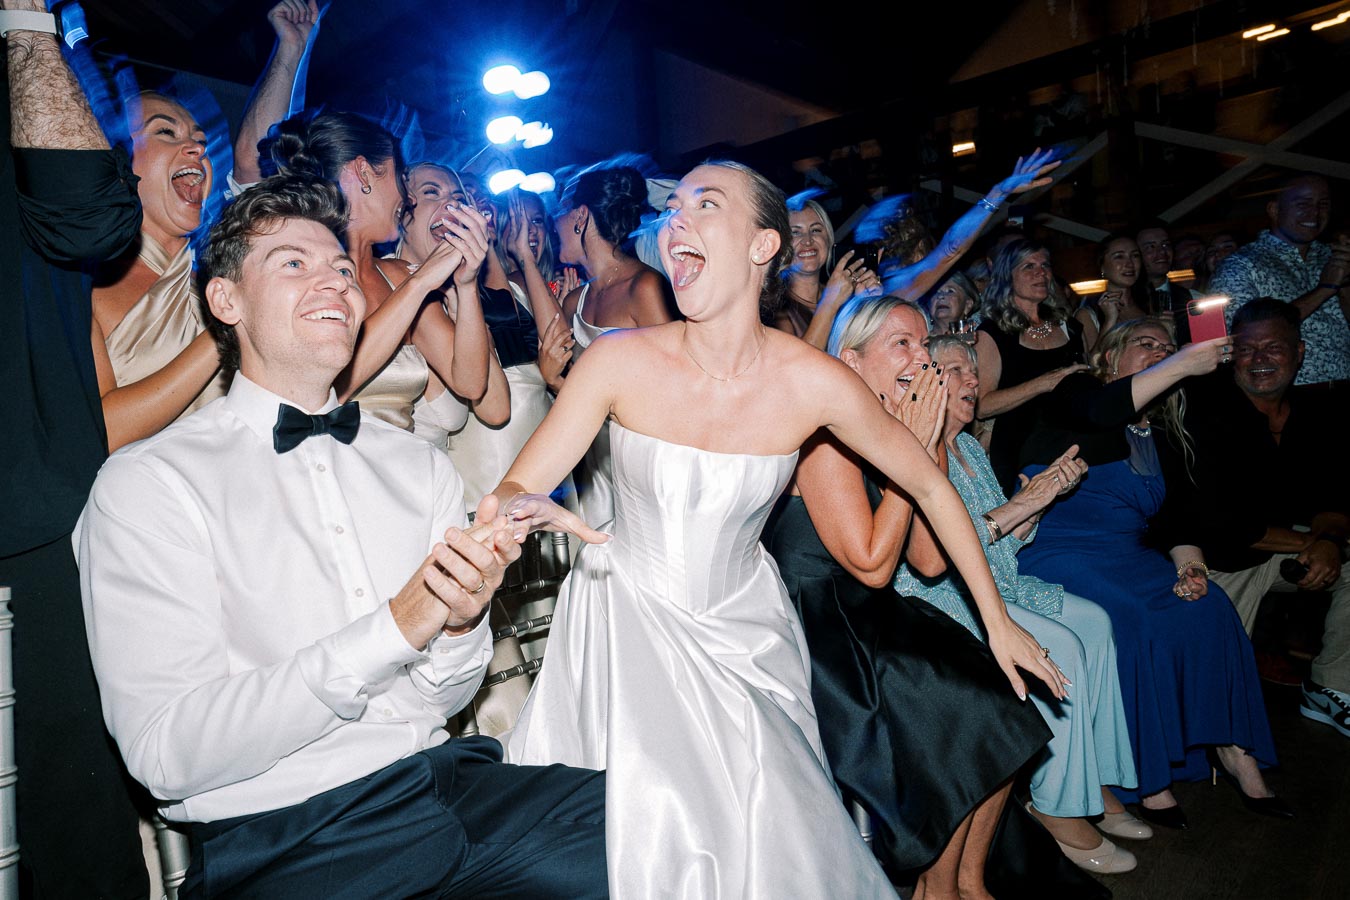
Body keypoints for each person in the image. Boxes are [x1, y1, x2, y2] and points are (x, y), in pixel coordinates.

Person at [490, 160, 1068, 898]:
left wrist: (998, 622)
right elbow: (518, 483)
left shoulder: (812, 381)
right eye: (676, 211)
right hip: (623, 624)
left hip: (748, 639)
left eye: (707, 204)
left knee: (771, 836)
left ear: (764, 246)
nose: (678, 222)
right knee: (650, 835)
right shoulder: (617, 362)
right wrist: (512, 511)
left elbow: (928, 481)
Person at [76, 175, 608, 898]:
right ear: (226, 301)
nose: (331, 281)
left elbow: (438, 701)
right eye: (292, 262)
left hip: (447, 788)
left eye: (336, 266)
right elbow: (166, 753)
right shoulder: (150, 485)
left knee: (673, 828)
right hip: (288, 839)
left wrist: (458, 624)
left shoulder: (416, 466)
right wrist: (394, 627)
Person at [766, 297, 1103, 898]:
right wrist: (918, 450)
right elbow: (871, 564)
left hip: (869, 612)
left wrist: (932, 440)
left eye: (924, 344)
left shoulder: (893, 425)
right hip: (816, 620)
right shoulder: (823, 433)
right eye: (903, 343)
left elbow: (927, 558)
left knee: (1003, 693)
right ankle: (938, 887)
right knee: (960, 706)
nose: (922, 359)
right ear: (852, 359)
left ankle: (967, 881)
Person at [1015, 317, 1288, 827]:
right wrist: (1182, 359)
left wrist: (1193, 569)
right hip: (1056, 550)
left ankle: (1234, 750)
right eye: (1146, 344)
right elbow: (1101, 409)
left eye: (1167, 348)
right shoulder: (1079, 390)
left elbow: (1176, 521)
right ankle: (1146, 773)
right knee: (1136, 620)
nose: (1160, 352)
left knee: (1211, 608)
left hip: (1129, 555)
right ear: (1110, 356)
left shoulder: (1158, 433)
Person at [900, 334, 1142, 874]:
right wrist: (1020, 506)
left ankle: (1091, 779)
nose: (972, 381)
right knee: (1065, 647)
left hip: (997, 586)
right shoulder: (912, 448)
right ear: (925, 383)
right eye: (956, 371)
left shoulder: (967, 448)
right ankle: (1056, 805)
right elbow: (935, 559)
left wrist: (1041, 499)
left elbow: (1004, 541)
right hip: (940, 600)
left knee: (1096, 623)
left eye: (973, 371)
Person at [1, 2, 147, 894]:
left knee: (65, 827)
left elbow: (91, 225)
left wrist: (22, 18)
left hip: (28, 515)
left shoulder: (27, 84)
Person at [1161, 298, 1350, 738]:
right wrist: (1314, 545)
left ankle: (1333, 688)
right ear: (1230, 354)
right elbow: (1221, 522)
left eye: (1274, 348)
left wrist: (1329, 539)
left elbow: (1336, 495)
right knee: (1209, 711)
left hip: (1283, 546)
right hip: (1215, 558)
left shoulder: (1316, 412)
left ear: (1299, 352)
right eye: (1247, 349)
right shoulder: (1205, 410)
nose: (1260, 359)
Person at [261, 109, 494, 430]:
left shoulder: (398, 276)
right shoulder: (300, 272)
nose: (407, 197)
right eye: (400, 177)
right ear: (365, 173)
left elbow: (470, 384)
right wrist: (422, 282)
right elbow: (320, 392)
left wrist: (466, 285)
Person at [393, 161, 509, 444]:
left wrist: (463, 292)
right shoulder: (394, 284)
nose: (452, 207)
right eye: (432, 192)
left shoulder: (456, 293)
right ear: (400, 211)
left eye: (459, 200)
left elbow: (496, 409)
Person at [1209, 174, 1350, 385]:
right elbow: (1240, 337)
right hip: (1285, 398)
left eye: (1323, 204)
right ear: (1274, 210)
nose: (1315, 212)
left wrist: (1344, 284)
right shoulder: (1241, 264)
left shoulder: (1331, 256)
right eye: (1303, 204)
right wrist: (1325, 288)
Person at [973, 238, 1089, 492]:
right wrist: (1044, 383)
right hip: (1019, 453)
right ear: (1006, 277)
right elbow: (982, 405)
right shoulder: (993, 332)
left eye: (1045, 265)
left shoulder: (1069, 327)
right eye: (1028, 266)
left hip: (1071, 449)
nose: (1041, 272)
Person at [774, 194, 880, 346]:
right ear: (780, 243)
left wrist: (867, 304)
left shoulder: (846, 295)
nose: (808, 240)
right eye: (795, 232)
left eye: (816, 230)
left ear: (829, 239)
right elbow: (799, 367)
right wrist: (830, 303)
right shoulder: (773, 307)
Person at [1073, 233, 1152, 353]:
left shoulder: (1150, 303)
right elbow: (1092, 363)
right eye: (1119, 257)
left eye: (1135, 256)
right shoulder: (1088, 314)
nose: (1129, 264)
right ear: (1102, 267)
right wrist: (1110, 321)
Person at [1135, 222, 1193, 329]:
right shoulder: (1126, 301)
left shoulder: (1192, 299)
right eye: (1151, 247)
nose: (1161, 251)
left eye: (1165, 245)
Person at [925, 271, 981, 336]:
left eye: (950, 291)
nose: (940, 296)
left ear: (967, 305)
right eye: (935, 292)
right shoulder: (920, 340)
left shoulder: (978, 339)